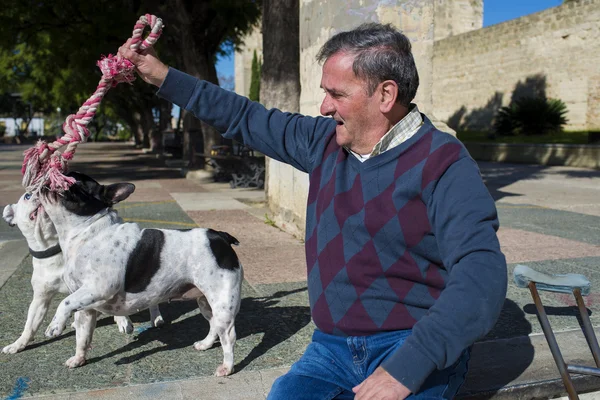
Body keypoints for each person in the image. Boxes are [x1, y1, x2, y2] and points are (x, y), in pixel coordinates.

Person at [119, 22, 507, 400]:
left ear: (386, 95)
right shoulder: (322, 143)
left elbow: (481, 278)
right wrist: (160, 75)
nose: (324, 107)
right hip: (330, 349)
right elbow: (243, 116)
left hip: (410, 343)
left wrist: (406, 369)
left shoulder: (444, 162)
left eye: (336, 94)